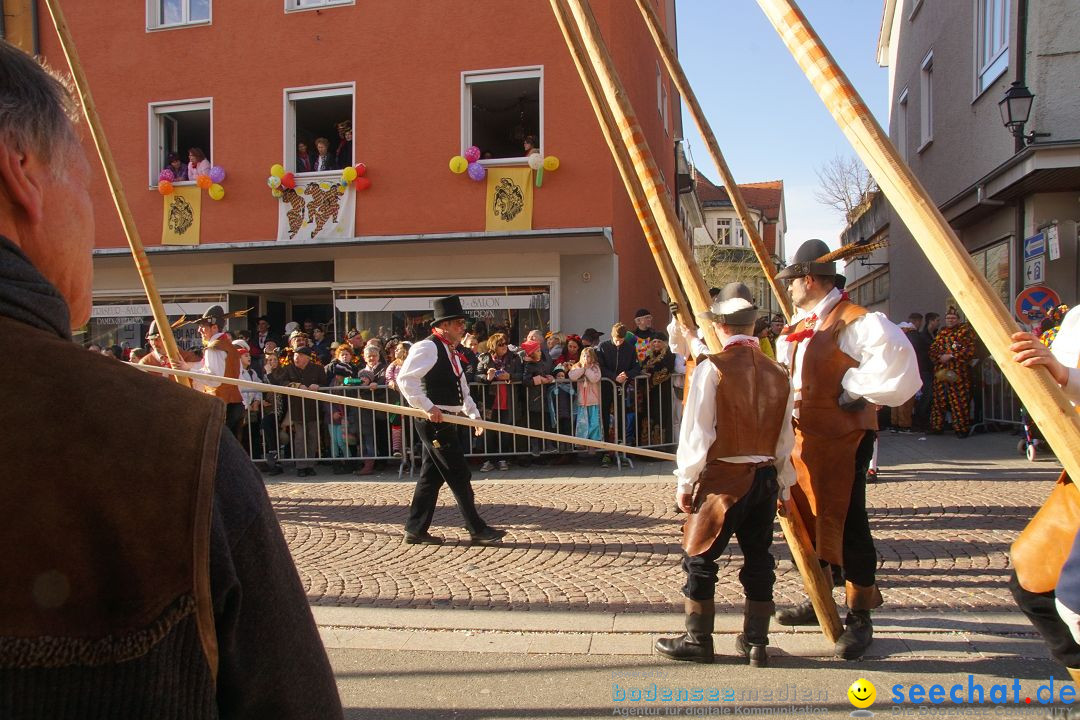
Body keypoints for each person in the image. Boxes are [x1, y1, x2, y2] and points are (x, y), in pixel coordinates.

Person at [0, 40, 341, 716]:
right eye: (86, 184)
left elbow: (226, 375)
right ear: (23, 176)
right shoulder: (170, 447)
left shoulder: (191, 403)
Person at [771, 239, 919, 660]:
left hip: (841, 436)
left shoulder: (855, 321)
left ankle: (860, 613)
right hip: (806, 436)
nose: (789, 289)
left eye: (793, 282)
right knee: (811, 514)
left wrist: (855, 387)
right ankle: (821, 596)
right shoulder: (803, 322)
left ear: (811, 280)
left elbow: (900, 365)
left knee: (848, 517)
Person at [656, 283, 795, 666]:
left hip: (724, 481)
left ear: (720, 327)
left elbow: (697, 432)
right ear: (752, 327)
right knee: (759, 558)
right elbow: (786, 438)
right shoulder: (779, 372)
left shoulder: (711, 369)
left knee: (699, 558)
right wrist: (785, 485)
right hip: (766, 478)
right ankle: (757, 642)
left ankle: (698, 640)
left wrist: (685, 482)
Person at [395, 295, 506, 546]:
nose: (462, 327)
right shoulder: (428, 347)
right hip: (435, 421)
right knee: (458, 473)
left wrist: (474, 416)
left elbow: (462, 388)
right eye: (457, 323)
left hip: (447, 418)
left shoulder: (451, 350)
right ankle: (476, 528)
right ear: (443, 325)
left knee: (430, 477)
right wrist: (427, 406)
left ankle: (415, 529)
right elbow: (405, 379)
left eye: (462, 323)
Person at [1009, 307, 1080, 684]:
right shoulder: (1078, 320)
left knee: (1073, 597)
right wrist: (1054, 373)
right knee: (1036, 583)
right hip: (1078, 468)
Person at [173, 305, 247, 439]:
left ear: (214, 328)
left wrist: (188, 369)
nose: (199, 330)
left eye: (203, 326)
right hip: (234, 405)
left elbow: (214, 379)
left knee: (218, 451)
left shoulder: (215, 347)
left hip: (223, 406)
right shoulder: (228, 346)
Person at [270, 346, 324, 477]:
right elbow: (282, 382)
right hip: (297, 408)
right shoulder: (288, 369)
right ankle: (301, 466)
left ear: (307, 357)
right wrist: (297, 386)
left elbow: (325, 383)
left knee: (313, 437)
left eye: (299, 355)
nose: (296, 358)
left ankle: (310, 465)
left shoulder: (318, 369)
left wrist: (318, 386)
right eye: (295, 355)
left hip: (314, 408)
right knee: (300, 437)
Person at [476, 331, 524, 471]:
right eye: (501, 344)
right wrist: (488, 377)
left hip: (507, 400)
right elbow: (476, 376)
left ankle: (503, 458)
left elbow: (521, 374)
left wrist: (509, 376)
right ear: (493, 346)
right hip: (490, 401)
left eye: (505, 344)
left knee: (505, 430)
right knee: (489, 431)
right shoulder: (484, 358)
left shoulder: (514, 358)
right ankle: (489, 459)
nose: (504, 347)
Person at [596, 322, 641, 467]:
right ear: (611, 335)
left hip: (621, 388)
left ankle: (621, 451)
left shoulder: (629, 348)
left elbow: (637, 367)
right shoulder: (603, 347)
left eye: (621, 340)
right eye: (616, 340)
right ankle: (605, 453)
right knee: (604, 418)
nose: (618, 343)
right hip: (606, 387)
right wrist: (613, 376)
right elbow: (600, 367)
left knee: (621, 418)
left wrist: (627, 374)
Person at [929, 307, 976, 438]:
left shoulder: (965, 331)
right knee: (938, 400)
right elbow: (933, 348)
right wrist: (939, 356)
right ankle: (936, 426)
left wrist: (951, 355)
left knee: (959, 400)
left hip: (958, 372)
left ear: (958, 319)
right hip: (941, 370)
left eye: (953, 318)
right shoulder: (942, 332)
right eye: (948, 318)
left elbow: (969, 350)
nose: (950, 320)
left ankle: (961, 428)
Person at [569, 346, 603, 448]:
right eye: (584, 356)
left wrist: (587, 370)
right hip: (582, 401)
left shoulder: (595, 367)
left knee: (594, 423)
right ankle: (581, 444)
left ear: (592, 358)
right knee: (582, 424)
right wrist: (582, 369)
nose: (586, 358)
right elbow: (572, 376)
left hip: (593, 400)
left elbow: (594, 378)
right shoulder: (577, 366)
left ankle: (594, 444)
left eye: (588, 356)